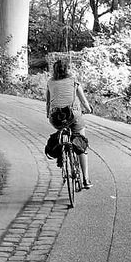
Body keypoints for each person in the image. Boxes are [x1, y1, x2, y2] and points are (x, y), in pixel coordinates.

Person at [45, 56, 93, 188]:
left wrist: (48, 114)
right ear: (68, 69)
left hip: (56, 118)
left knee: (62, 130)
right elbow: (83, 101)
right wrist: (88, 109)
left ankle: (63, 154)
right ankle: (86, 179)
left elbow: (48, 103)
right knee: (81, 143)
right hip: (73, 115)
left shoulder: (50, 82)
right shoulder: (73, 81)